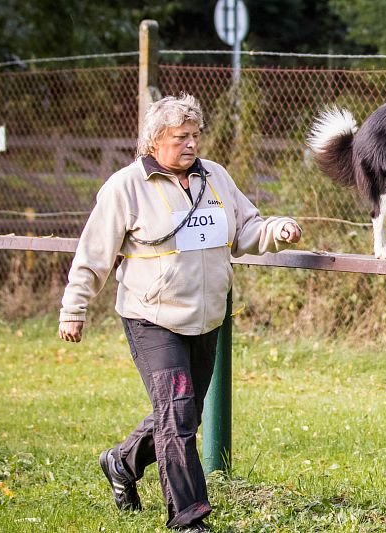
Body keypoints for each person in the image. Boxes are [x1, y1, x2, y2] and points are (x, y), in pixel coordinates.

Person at [58, 93, 301, 532]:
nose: (191, 144)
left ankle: (120, 462)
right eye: (180, 137)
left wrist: (274, 230)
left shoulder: (216, 178)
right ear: (155, 142)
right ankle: (188, 519)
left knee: (183, 415)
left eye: (195, 135)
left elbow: (245, 227)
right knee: (178, 415)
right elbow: (94, 254)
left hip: (206, 317)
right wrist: (73, 309)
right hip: (152, 317)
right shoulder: (125, 187)